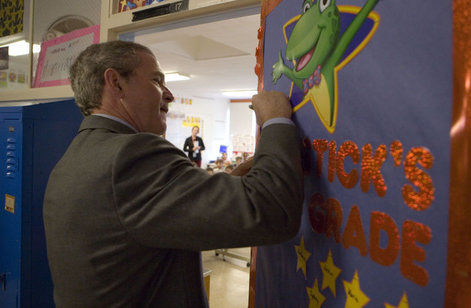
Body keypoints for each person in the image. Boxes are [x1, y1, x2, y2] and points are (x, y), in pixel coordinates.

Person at [43, 40, 303, 307]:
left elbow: (144, 224)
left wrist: (228, 184)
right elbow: (272, 211)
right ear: (116, 83)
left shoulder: (74, 157)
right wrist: (276, 120)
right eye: (157, 81)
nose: (168, 94)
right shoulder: (133, 153)